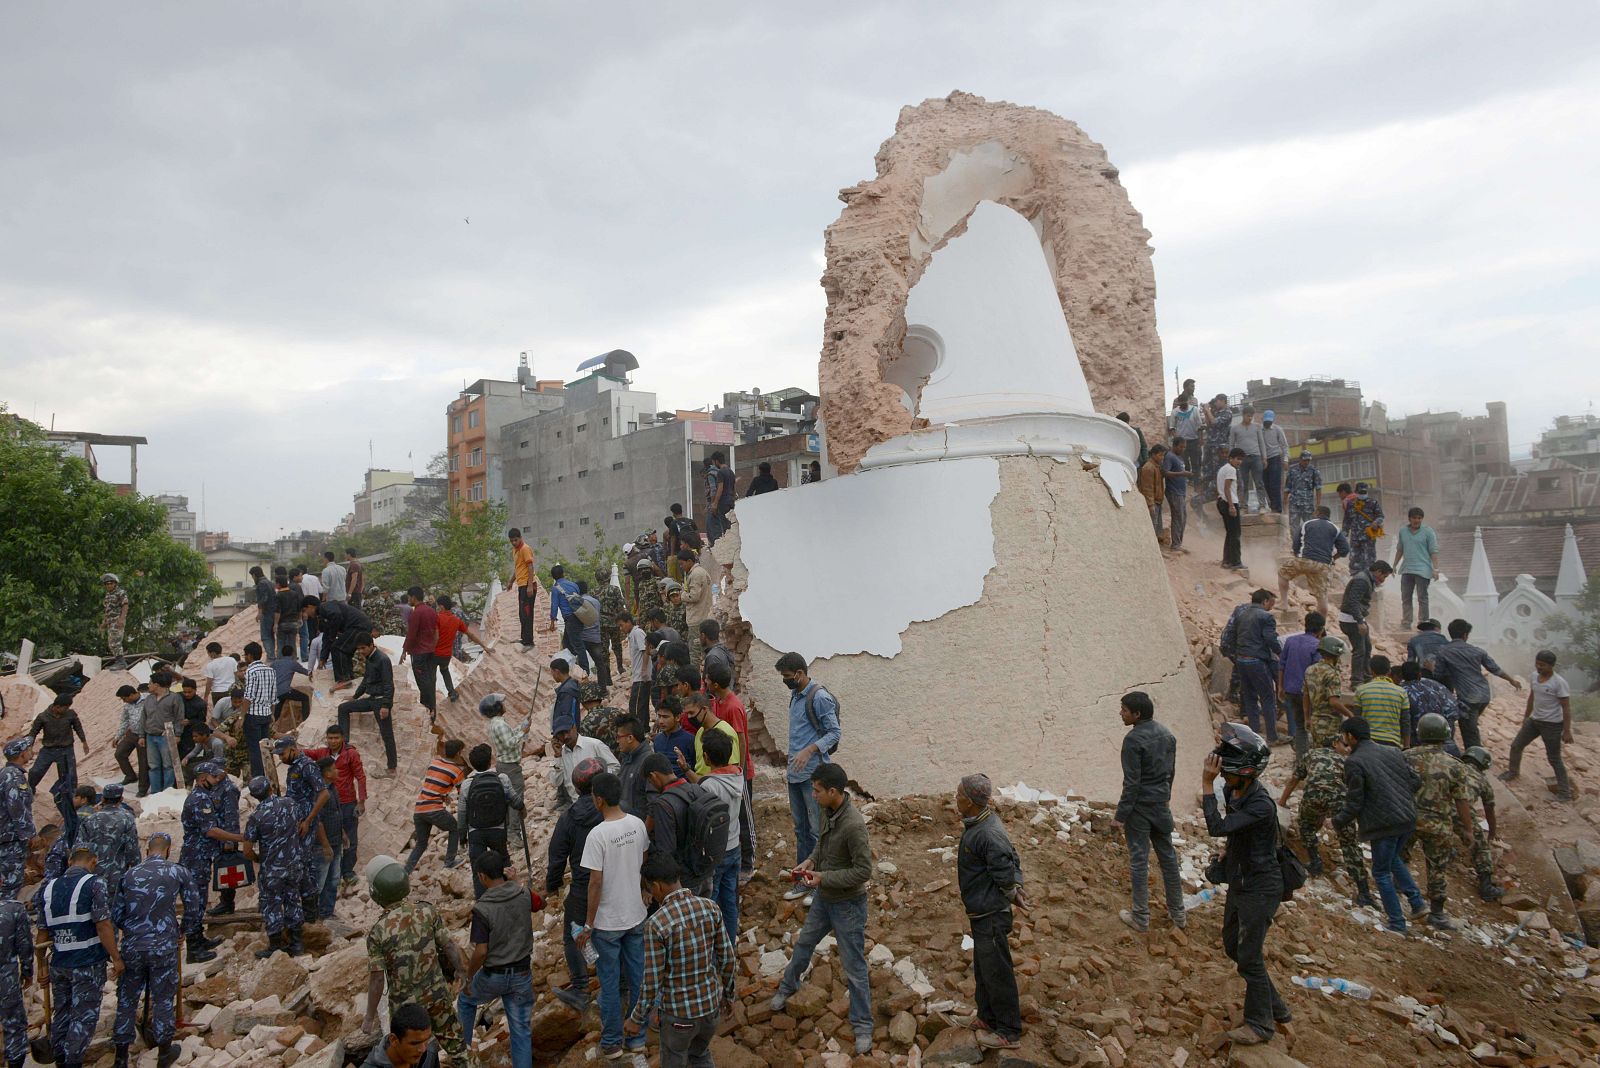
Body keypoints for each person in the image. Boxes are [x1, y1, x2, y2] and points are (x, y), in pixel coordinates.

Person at [770, 763, 875, 1055]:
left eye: (816, 791)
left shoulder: (854, 825)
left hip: (848, 905)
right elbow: (822, 845)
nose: (812, 795)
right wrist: (811, 862)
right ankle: (787, 987)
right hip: (824, 899)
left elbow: (863, 871)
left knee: (854, 967)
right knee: (804, 944)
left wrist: (824, 878)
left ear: (833, 792)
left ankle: (863, 1025)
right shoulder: (827, 810)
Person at [1199, 723, 1286, 1047]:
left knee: (1249, 957)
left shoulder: (1261, 803)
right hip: (1241, 880)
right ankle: (1275, 1006)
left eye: (1225, 772)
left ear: (1246, 772)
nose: (1220, 776)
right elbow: (1236, 831)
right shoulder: (1234, 789)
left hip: (1260, 887)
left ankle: (1260, 1024)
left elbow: (1217, 825)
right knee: (1234, 946)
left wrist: (1205, 783)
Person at [625, 854, 737, 1067]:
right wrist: (729, 995)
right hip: (710, 1009)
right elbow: (728, 959)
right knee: (701, 1055)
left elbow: (651, 982)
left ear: (656, 886)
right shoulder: (710, 908)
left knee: (674, 1060)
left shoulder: (656, 924)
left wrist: (636, 1019)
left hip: (679, 1017)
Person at [947, 773, 1028, 1051]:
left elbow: (1006, 864)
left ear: (970, 802)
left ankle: (1008, 1031)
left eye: (958, 795)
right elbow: (1012, 856)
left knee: (997, 971)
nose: (954, 799)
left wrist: (1013, 890)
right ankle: (986, 1017)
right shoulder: (980, 824)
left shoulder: (987, 833)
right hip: (981, 912)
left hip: (990, 914)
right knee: (984, 968)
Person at [363, 855, 470, 1064]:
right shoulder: (426, 911)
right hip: (438, 996)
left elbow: (377, 981)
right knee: (459, 1051)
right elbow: (448, 946)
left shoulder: (378, 932)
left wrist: (368, 1017)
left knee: (409, 1059)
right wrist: (461, 972)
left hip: (406, 1010)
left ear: (376, 893)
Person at [114, 833, 205, 1068]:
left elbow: (116, 914)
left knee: (126, 999)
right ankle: (164, 1052)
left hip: (133, 945)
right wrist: (183, 930)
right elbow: (194, 907)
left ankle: (121, 1056)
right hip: (164, 944)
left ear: (147, 850)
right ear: (168, 849)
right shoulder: (177, 871)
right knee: (164, 997)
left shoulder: (129, 874)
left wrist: (133, 932)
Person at [575, 772, 650, 1060]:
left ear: (599, 800)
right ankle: (638, 1038)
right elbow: (642, 862)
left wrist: (589, 923)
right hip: (635, 915)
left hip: (607, 922)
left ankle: (612, 1043)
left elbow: (595, 882)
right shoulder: (637, 825)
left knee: (609, 984)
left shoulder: (598, 835)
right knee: (637, 978)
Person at [1332, 717, 1424, 934]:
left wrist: (1336, 821)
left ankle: (1397, 923)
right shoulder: (1392, 751)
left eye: (1344, 736)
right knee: (1393, 860)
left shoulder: (1354, 762)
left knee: (1381, 872)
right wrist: (1397, 795)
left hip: (1384, 825)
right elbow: (1416, 781)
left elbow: (1355, 802)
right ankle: (1418, 903)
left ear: (1351, 737)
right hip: (1408, 818)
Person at [42, 846, 124, 1068]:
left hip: (59, 963)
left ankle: (60, 1058)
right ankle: (73, 1062)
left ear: (70, 861)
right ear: (93, 862)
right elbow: (103, 925)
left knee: (63, 1013)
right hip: (86, 963)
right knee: (83, 1018)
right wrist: (116, 957)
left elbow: (42, 931)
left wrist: (41, 966)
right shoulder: (94, 883)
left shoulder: (48, 887)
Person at [1113, 691, 1185, 933]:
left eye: (1124, 710)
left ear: (1137, 714)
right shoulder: (1167, 734)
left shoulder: (1133, 740)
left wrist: (1120, 816)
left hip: (1140, 809)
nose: (1121, 714)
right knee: (1168, 859)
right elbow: (1170, 773)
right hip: (1160, 806)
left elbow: (1132, 783)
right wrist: (1165, 799)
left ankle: (1141, 917)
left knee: (1139, 861)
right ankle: (1179, 915)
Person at [457, 850, 536, 1068]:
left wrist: (469, 977)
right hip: (521, 974)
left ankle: (461, 1053)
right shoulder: (523, 894)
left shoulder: (483, 908)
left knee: (465, 999)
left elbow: (481, 951)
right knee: (521, 1032)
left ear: (482, 877)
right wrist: (518, 882)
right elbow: (541, 903)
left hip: (494, 975)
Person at [775, 653, 841, 903]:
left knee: (816, 832)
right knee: (801, 830)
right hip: (795, 774)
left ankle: (817, 884)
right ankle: (803, 879)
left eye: (787, 677)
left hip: (814, 775)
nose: (785, 681)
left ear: (800, 674)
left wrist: (810, 749)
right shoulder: (795, 696)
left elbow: (834, 733)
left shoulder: (819, 697)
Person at [1280, 737, 1373, 907]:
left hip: (1312, 795)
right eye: (1344, 745)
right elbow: (1351, 786)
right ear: (1334, 744)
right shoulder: (1343, 760)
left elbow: (1294, 780)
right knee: (1349, 843)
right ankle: (1364, 892)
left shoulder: (1310, 754)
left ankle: (1315, 862)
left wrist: (1282, 802)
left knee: (1307, 826)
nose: (1347, 749)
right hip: (1338, 798)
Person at [545, 757, 606, 1011]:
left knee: (573, 935)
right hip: (612, 882)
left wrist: (553, 885)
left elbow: (557, 856)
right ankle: (619, 982)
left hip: (582, 885)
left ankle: (581, 987)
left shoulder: (569, 818)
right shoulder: (612, 809)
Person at [1404, 713, 1474, 929]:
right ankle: (1437, 914)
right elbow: (1462, 801)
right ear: (1446, 735)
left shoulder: (1406, 757)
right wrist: (1468, 829)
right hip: (1438, 825)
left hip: (1408, 820)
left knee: (1399, 859)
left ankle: (1399, 901)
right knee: (1436, 868)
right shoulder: (1455, 765)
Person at [242, 775, 307, 958]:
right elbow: (302, 825)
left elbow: (247, 850)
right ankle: (297, 944)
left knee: (272, 906)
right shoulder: (290, 803)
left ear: (255, 796)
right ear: (270, 788)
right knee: (293, 900)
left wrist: (258, 859)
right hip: (294, 864)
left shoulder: (256, 816)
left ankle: (275, 946)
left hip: (271, 869)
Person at [1432, 618, 1522, 750]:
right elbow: (1495, 669)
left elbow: (1438, 675)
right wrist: (1512, 680)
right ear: (1465, 635)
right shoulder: (1478, 651)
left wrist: (1434, 669)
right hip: (1484, 695)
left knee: (1469, 731)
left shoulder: (1443, 651)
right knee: (1469, 725)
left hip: (1468, 697)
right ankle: (1473, 754)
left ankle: (1476, 761)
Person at [178, 763, 244, 939]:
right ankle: (194, 943)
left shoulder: (205, 795)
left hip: (202, 854)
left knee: (200, 898)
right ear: (202, 779)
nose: (216, 780)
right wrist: (238, 838)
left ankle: (198, 939)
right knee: (196, 900)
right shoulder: (200, 799)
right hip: (196, 855)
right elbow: (210, 830)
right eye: (213, 777)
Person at [1503, 650, 1573, 800]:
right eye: (1537, 663)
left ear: (1551, 666)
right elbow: (1532, 697)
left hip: (1552, 725)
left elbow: (1566, 708)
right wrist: (1526, 717)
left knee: (1554, 758)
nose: (1539, 667)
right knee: (1516, 745)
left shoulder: (1559, 683)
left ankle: (1565, 793)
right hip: (1535, 721)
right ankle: (1513, 772)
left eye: (1543, 665)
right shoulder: (1534, 676)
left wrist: (1567, 731)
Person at [303, 725, 367, 887]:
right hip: (326, 804)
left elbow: (360, 777)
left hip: (347, 803)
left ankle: (347, 872)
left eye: (336, 738)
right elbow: (304, 753)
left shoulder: (351, 754)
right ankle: (334, 875)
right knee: (331, 839)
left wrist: (361, 801)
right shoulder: (322, 753)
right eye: (330, 738)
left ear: (342, 738)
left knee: (350, 840)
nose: (333, 741)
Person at [694, 732, 744, 937]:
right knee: (729, 901)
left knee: (710, 903)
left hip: (716, 853)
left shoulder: (709, 786)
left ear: (706, 757)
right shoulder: (737, 776)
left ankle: (712, 954)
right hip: (734, 847)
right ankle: (729, 947)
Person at [460, 745, 525, 895]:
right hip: (498, 829)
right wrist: (522, 807)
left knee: (477, 867)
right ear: (490, 761)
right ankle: (510, 893)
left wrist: (462, 835)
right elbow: (514, 800)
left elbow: (462, 813)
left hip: (476, 832)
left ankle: (483, 901)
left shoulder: (467, 784)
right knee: (503, 860)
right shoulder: (502, 779)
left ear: (472, 764)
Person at [1222, 590, 1282, 743]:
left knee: (1249, 698)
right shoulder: (1266, 617)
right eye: (1271, 603)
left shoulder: (1242, 614)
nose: (1271, 607)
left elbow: (1233, 635)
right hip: (1257, 661)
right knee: (1268, 697)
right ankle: (1272, 737)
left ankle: (1254, 736)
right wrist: (1281, 652)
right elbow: (1270, 638)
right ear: (1265, 601)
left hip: (1241, 660)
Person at [405, 733, 468, 873]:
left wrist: (443, 796)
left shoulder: (434, 763)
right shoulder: (457, 771)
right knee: (454, 828)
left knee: (421, 843)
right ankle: (449, 862)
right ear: (458, 753)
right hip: (434, 809)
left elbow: (434, 784)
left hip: (420, 808)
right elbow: (462, 795)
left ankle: (406, 871)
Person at [338, 632, 398, 776]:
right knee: (343, 708)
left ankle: (391, 769)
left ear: (371, 645)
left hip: (380, 701)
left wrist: (385, 705)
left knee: (387, 735)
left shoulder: (382, 659)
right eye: (358, 649)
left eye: (363, 648)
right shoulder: (370, 658)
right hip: (371, 699)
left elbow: (389, 684)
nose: (360, 651)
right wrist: (355, 696)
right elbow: (366, 680)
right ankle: (344, 743)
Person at [477, 693, 531, 851]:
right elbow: (510, 743)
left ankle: (509, 832)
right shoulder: (499, 724)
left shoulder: (497, 723)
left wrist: (522, 726)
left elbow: (510, 735)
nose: (504, 704)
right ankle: (514, 835)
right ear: (496, 707)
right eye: (501, 703)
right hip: (510, 767)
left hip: (506, 765)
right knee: (515, 798)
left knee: (508, 798)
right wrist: (524, 731)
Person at [78, 787, 140, 917]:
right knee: (112, 917)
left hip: (92, 876)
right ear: (121, 799)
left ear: (102, 799)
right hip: (116, 877)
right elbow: (132, 851)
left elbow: (80, 849)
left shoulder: (90, 819)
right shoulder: (127, 819)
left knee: (92, 915)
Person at [1278, 505, 1348, 619]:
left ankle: (1284, 603)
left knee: (1282, 574)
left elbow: (1296, 543)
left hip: (1304, 560)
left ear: (1317, 513)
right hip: (1323, 565)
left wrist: (1298, 556)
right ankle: (1321, 627)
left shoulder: (1307, 524)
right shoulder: (1335, 528)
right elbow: (1345, 550)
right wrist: (1333, 558)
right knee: (1321, 597)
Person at [1458, 747, 1506, 901]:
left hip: (1438, 806)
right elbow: (1489, 810)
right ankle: (1486, 886)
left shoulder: (1454, 766)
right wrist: (1492, 833)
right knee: (1481, 848)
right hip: (1462, 811)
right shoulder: (1482, 780)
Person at [1336, 561, 1392, 687]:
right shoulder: (1362, 580)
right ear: (1378, 572)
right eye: (1384, 576)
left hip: (1356, 618)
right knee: (1360, 651)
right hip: (1351, 620)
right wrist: (1360, 621)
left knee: (1366, 648)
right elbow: (1353, 602)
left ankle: (1366, 677)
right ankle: (1356, 682)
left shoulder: (1367, 579)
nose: (1383, 580)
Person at [1278, 613, 1324, 751]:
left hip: (1290, 689)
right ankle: (1314, 757)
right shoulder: (1317, 645)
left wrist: (1280, 686)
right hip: (1308, 693)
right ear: (1321, 629)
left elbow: (1281, 665)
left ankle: (1300, 759)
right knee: (1313, 725)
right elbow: (1318, 672)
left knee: (1299, 726)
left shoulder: (1291, 641)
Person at [27, 694, 88, 796]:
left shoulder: (71, 714)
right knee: (35, 772)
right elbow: (33, 732)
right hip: (48, 749)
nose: (67, 709)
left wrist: (84, 741)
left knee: (70, 776)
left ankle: (69, 798)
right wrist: (29, 746)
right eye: (65, 707)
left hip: (66, 749)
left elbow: (78, 727)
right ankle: (29, 791)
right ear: (57, 707)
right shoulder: (43, 716)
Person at [432, 595, 488, 703]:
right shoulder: (456, 620)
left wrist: (430, 649)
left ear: (442, 607)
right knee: (445, 671)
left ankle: (432, 699)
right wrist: (484, 646)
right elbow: (470, 634)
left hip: (435, 653)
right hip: (447, 655)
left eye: (438, 606)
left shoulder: (437, 618)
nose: (437, 608)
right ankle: (452, 693)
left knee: (432, 675)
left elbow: (436, 636)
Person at [0, 738, 37, 900]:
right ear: (22, 754)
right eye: (28, 749)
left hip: (7, 837)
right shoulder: (14, 776)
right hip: (10, 840)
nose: (31, 751)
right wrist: (30, 833)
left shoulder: (6, 774)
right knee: (10, 884)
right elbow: (16, 807)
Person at [396, 587, 440, 722]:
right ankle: (431, 709)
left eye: (409, 597)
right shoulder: (432, 611)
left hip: (419, 652)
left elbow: (412, 634)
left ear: (413, 597)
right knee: (431, 679)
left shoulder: (417, 613)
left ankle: (428, 708)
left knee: (423, 682)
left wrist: (404, 651)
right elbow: (436, 631)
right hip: (431, 651)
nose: (409, 600)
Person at [0, 888, 32, 1068]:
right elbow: (24, 945)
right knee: (14, 1027)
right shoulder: (13, 909)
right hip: (6, 978)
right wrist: (28, 972)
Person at [1393, 507, 1439, 629]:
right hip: (1407, 568)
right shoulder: (1403, 531)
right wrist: (1394, 565)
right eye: (1414, 518)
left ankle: (1423, 622)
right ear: (1409, 518)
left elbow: (1433, 551)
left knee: (1422, 597)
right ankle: (1406, 622)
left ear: (1422, 519)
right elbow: (1400, 549)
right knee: (1406, 597)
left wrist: (1436, 569)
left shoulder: (1428, 532)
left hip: (1423, 569)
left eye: (1419, 518)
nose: (1416, 520)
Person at [1398, 660, 1460, 749]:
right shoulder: (1433, 691)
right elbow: (1451, 710)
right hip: (1435, 737)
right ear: (1419, 675)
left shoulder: (1399, 691)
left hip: (1411, 741)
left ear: (1401, 675)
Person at [239, 642, 278, 780]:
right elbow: (274, 695)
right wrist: (272, 714)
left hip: (253, 715)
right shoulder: (270, 670)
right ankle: (270, 776)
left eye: (245, 655)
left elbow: (248, 696)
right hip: (266, 714)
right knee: (265, 748)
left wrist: (242, 717)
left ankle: (259, 779)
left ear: (249, 655)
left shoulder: (251, 671)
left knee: (255, 750)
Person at [1354, 656, 1409, 748]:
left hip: (1367, 741)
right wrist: (1407, 746)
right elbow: (1405, 721)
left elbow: (1357, 719)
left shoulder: (1361, 690)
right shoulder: (1401, 692)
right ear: (1389, 671)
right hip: (1392, 742)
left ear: (1371, 671)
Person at [142, 671, 183, 793]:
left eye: (150, 683)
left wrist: (177, 734)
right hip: (150, 736)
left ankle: (167, 791)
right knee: (153, 766)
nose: (148, 686)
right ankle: (155, 792)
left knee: (168, 766)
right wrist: (141, 735)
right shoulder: (149, 699)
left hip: (166, 736)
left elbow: (179, 717)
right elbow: (143, 717)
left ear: (157, 684)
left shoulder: (174, 698)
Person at [365, 1003, 440, 1068]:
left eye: (426, 1040)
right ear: (394, 1040)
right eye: (415, 1043)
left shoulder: (430, 1054)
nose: (423, 1049)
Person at [1228, 405, 1267, 513]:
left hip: (1256, 457)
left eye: (1252, 416)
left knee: (1259, 482)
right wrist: (1231, 459)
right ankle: (1243, 506)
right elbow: (1231, 444)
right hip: (1241, 459)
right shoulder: (1235, 428)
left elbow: (1261, 443)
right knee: (1243, 483)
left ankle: (1262, 505)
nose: (1250, 418)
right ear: (1243, 415)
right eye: (1248, 416)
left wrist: (1264, 458)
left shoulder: (1257, 427)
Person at [112, 685, 149, 796]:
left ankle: (142, 788)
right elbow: (124, 721)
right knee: (120, 753)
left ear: (132, 695)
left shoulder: (148, 699)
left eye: (124, 698)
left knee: (143, 762)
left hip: (145, 735)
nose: (124, 701)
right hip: (132, 733)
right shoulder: (127, 706)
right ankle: (130, 775)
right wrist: (117, 736)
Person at [1342, 482, 1386, 575]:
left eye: (1364, 492)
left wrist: (1376, 522)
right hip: (1355, 538)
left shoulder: (1373, 503)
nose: (1362, 494)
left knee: (1369, 561)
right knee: (1354, 560)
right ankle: (1355, 579)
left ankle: (1371, 582)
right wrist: (1344, 534)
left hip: (1368, 538)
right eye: (1360, 492)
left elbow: (1381, 516)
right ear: (1356, 492)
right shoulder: (1351, 504)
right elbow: (1346, 520)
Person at [1283, 449, 1321, 542]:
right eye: (1304, 460)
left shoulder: (1314, 471)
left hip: (1308, 504)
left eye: (1308, 460)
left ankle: (1310, 546)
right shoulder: (1292, 470)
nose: (1306, 462)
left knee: (1310, 525)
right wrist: (1285, 502)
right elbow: (1287, 487)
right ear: (1300, 459)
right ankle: (1296, 547)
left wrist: (1318, 504)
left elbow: (1318, 488)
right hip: (1294, 504)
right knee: (1294, 526)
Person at [1161, 437, 1192, 551]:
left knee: (1183, 517)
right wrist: (1182, 473)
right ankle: (1175, 545)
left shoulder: (1179, 457)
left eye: (1184, 447)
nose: (1183, 449)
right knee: (1178, 517)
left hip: (1181, 492)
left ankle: (1179, 542)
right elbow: (1165, 472)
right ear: (1174, 445)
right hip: (1174, 491)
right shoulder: (1169, 456)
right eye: (1181, 447)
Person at [271, 643, 312, 729]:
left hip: (275, 692)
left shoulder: (274, 663)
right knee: (305, 697)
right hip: (286, 690)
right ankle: (306, 721)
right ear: (293, 653)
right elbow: (306, 672)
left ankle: (269, 729)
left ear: (282, 653)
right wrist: (313, 673)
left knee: (276, 714)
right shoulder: (293, 663)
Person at [1217, 448, 1245, 569]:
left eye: (1241, 459)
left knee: (1230, 533)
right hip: (1229, 502)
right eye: (1237, 459)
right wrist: (1231, 506)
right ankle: (1236, 562)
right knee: (1235, 534)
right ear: (1231, 458)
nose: (1239, 462)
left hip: (1222, 501)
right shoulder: (1231, 470)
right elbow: (1227, 488)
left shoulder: (1223, 469)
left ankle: (1227, 561)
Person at [508, 528, 537, 647]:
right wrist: (511, 582)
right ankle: (524, 639)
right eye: (512, 541)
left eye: (515, 540)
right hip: (521, 586)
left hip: (528, 586)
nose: (514, 543)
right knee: (522, 614)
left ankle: (529, 642)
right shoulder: (515, 550)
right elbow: (518, 568)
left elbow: (530, 567)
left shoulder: (525, 549)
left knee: (527, 614)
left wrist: (530, 586)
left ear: (520, 538)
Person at [653, 703, 696, 779]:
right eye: (659, 716)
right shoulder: (657, 739)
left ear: (678, 717)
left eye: (665, 717)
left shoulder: (690, 740)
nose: (661, 721)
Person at [1259, 410, 1289, 513]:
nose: (1267, 423)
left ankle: (1277, 508)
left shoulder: (1277, 429)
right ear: (1262, 419)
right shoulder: (1259, 430)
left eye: (1269, 421)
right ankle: (1272, 505)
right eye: (1266, 421)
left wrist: (1285, 460)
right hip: (1263, 459)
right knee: (1265, 484)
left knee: (1275, 484)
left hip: (1275, 458)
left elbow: (1284, 445)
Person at [1136, 442, 1168, 537]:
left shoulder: (1156, 466)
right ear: (1153, 454)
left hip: (1157, 501)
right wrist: (1150, 505)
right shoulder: (1149, 468)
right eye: (1160, 455)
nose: (1162, 458)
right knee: (1152, 528)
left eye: (1163, 455)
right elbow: (1147, 488)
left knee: (1156, 527)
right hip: (1152, 503)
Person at [102, 573, 131, 668]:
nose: (109, 585)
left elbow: (125, 605)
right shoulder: (108, 595)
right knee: (111, 643)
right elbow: (107, 609)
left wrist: (122, 619)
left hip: (117, 620)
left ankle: (121, 663)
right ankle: (118, 661)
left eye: (111, 583)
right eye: (107, 584)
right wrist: (104, 622)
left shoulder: (120, 592)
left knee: (116, 641)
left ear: (115, 583)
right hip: (110, 622)